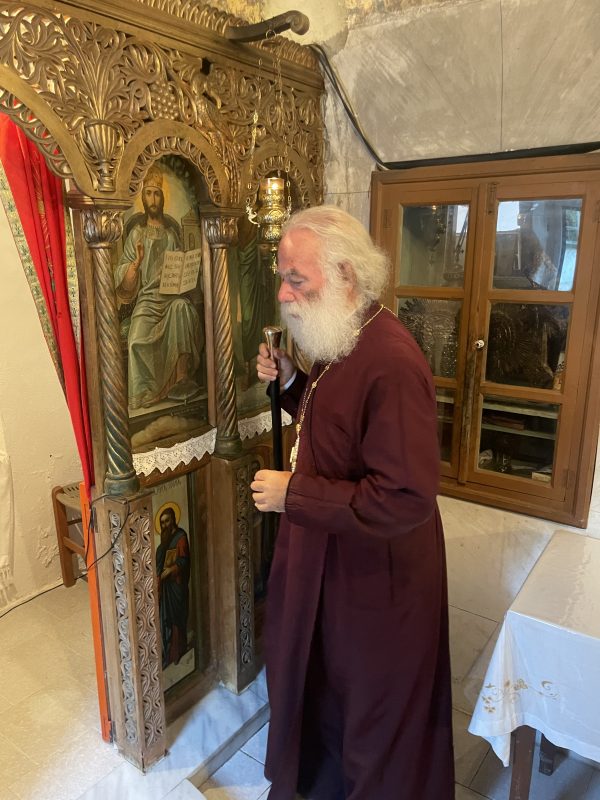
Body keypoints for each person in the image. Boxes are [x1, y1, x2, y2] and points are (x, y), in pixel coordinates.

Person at [251, 205, 454, 800]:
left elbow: (406, 496)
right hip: (335, 567)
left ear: (345, 274)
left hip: (376, 586)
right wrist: (292, 382)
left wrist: (294, 494)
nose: (283, 295)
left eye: (297, 279)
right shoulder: (343, 337)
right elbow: (336, 432)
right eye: (282, 278)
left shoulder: (390, 361)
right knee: (328, 699)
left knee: (372, 721)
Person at [115, 165, 203, 409]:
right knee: (135, 340)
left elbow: (180, 270)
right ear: (143, 198)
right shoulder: (136, 235)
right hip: (147, 301)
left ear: (162, 198)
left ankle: (181, 378)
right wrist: (136, 264)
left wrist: (185, 273)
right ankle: (145, 393)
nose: (153, 199)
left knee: (182, 308)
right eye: (149, 193)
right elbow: (124, 282)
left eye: (157, 194)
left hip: (170, 298)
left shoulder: (171, 235)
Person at [155, 506, 191, 670]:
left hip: (177, 585)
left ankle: (177, 652)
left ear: (173, 520)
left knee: (177, 618)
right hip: (165, 587)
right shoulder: (163, 544)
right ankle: (167, 654)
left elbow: (184, 561)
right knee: (166, 619)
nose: (165, 525)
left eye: (167, 521)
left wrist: (171, 570)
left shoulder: (180, 537)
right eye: (162, 523)